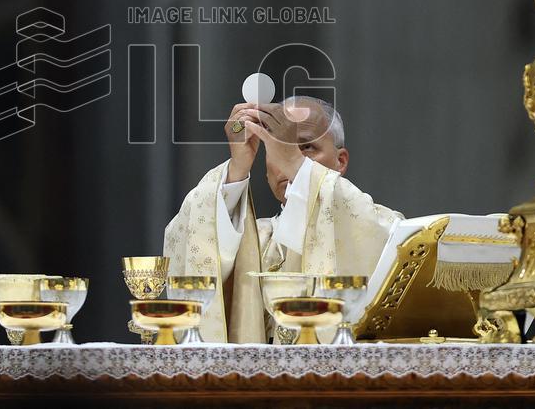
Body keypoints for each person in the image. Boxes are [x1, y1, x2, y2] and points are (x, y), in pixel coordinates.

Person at [163, 96, 402, 343]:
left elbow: (384, 242)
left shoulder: (377, 222)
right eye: (279, 147)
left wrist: (295, 163)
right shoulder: (254, 236)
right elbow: (192, 235)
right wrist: (236, 168)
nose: (287, 157)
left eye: (307, 147)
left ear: (340, 161)